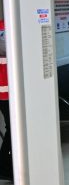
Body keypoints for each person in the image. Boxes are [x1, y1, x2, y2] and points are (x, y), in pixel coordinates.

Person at [0, 19, 13, 182]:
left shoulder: (7, 25)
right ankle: (3, 166)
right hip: (5, 91)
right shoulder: (5, 28)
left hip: (9, 91)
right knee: (12, 129)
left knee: (12, 129)